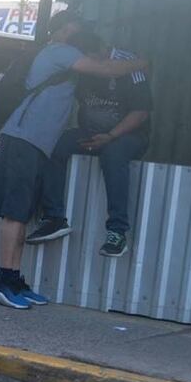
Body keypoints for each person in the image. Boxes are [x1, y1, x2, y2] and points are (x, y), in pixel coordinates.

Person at [0, 11, 149, 310]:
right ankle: (2, 280)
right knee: (13, 213)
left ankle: (13, 277)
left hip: (37, 144)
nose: (79, 38)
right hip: (22, 139)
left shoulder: (66, 55)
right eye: (75, 30)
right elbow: (106, 69)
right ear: (61, 31)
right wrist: (141, 63)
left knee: (22, 214)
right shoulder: (58, 52)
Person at [26, 31, 152, 257]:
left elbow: (141, 113)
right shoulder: (78, 64)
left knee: (113, 154)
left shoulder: (129, 65)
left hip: (125, 136)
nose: (90, 66)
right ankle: (54, 218)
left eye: (93, 60)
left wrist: (111, 135)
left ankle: (117, 232)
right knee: (53, 144)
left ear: (103, 49)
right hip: (90, 132)